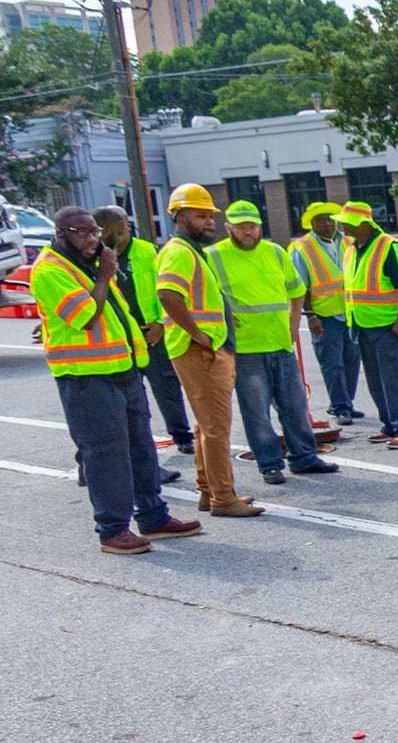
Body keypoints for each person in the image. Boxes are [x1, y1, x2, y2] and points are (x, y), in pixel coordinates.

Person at [31, 206, 203, 554]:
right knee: (106, 455)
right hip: (86, 377)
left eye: (94, 231)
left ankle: (153, 516)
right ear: (61, 234)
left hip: (123, 370)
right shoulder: (50, 269)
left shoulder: (90, 265)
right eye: (81, 232)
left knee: (141, 448)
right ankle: (112, 529)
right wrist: (105, 275)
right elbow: (85, 316)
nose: (92, 239)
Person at [207, 200, 340, 485]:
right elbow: (205, 298)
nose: (248, 232)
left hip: (280, 344)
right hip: (245, 349)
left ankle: (304, 458)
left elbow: (296, 290)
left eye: (252, 226)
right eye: (241, 227)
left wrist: (293, 326)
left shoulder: (275, 252)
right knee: (257, 411)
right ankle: (269, 464)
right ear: (228, 227)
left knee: (293, 405)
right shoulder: (214, 256)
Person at [156, 183, 263, 517]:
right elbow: (168, 295)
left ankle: (209, 491)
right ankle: (223, 497)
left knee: (206, 426)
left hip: (204, 347)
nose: (209, 222)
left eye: (209, 216)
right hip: (199, 351)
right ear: (179, 216)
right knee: (217, 428)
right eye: (201, 216)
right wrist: (200, 336)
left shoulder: (190, 251)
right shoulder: (179, 252)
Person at [95, 204, 195, 466]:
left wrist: (160, 323)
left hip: (150, 331)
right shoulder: (94, 256)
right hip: (119, 336)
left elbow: (162, 290)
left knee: (166, 385)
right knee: (130, 396)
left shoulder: (146, 251)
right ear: (106, 230)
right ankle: (138, 443)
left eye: (127, 224)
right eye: (121, 226)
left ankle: (181, 435)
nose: (127, 228)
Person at [336, 201, 398, 449]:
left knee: (396, 379)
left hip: (388, 325)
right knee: (376, 379)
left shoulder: (390, 246)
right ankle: (390, 425)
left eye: (347, 223)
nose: (343, 227)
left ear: (363, 223)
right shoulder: (352, 249)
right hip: (363, 324)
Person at [289, 200, 363, 426]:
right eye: (321, 220)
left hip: (350, 312)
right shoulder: (302, 248)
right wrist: (310, 315)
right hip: (324, 315)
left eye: (330, 219)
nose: (327, 224)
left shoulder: (348, 242)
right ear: (311, 223)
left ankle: (345, 403)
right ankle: (340, 407)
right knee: (333, 364)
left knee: (352, 360)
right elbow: (300, 288)